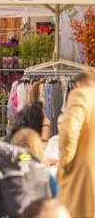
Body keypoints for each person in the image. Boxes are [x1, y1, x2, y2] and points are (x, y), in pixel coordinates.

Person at [57, 69, 95, 218]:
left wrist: (66, 163)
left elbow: (69, 132)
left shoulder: (81, 95)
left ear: (78, 84)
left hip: (85, 172)